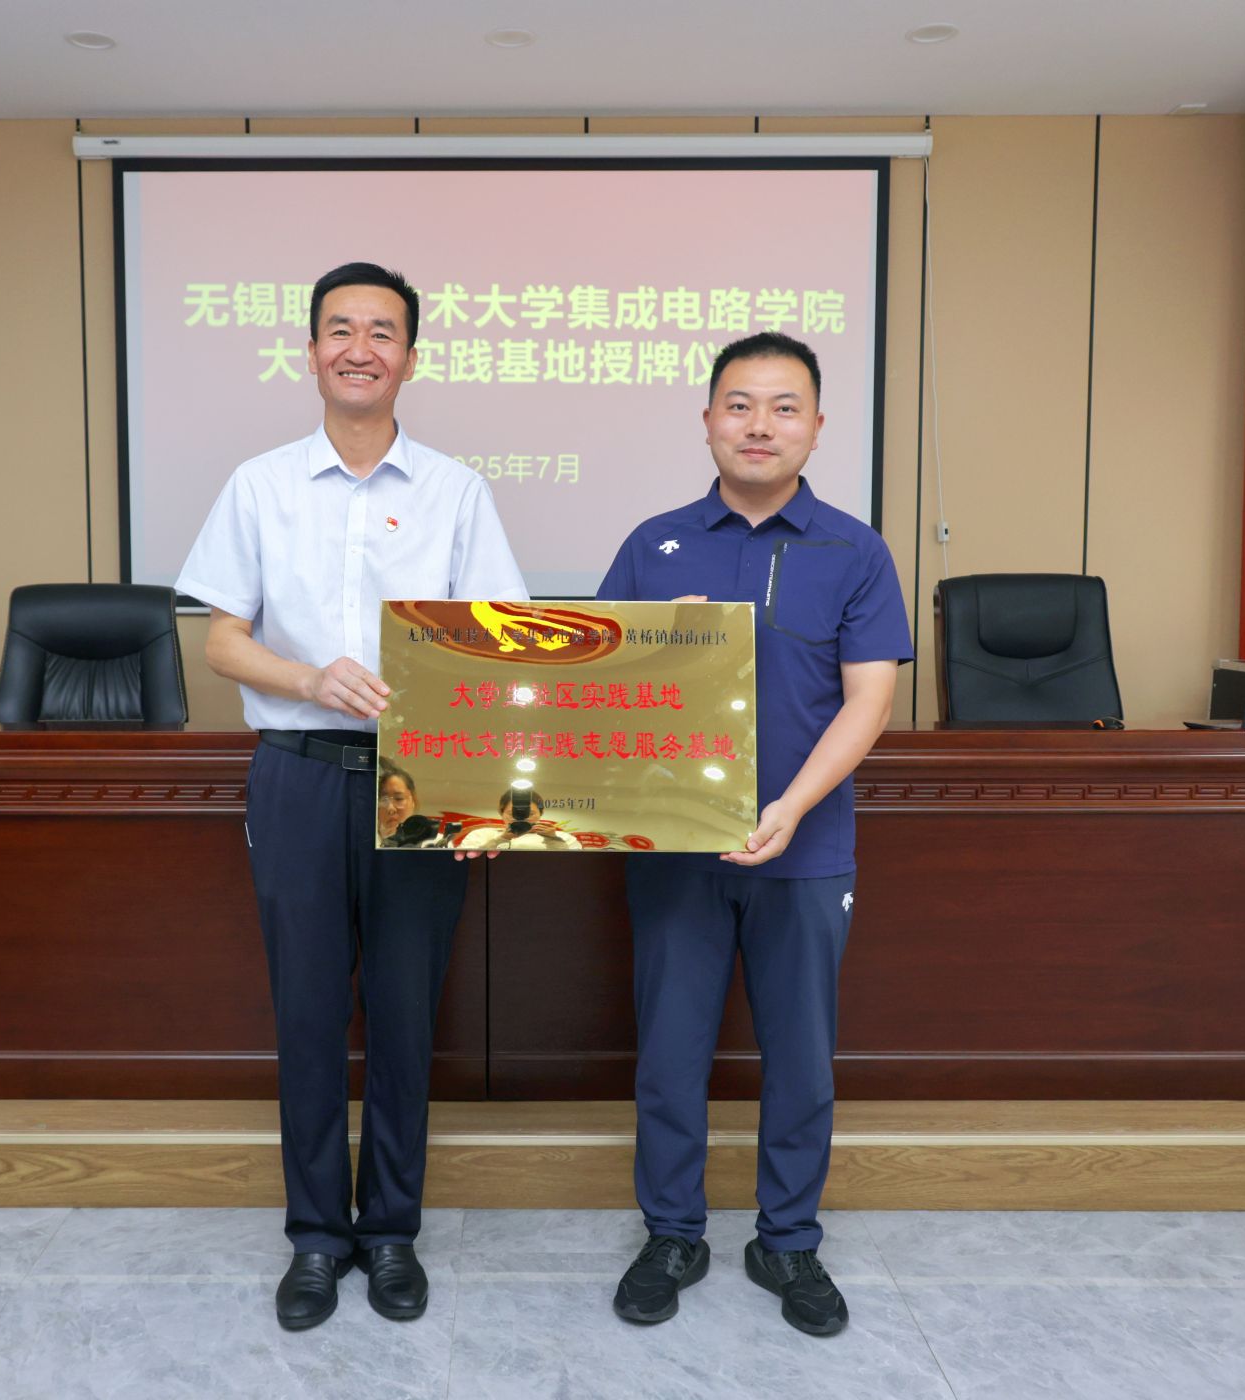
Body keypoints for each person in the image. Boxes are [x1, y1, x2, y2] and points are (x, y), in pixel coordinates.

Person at [176, 261, 527, 1330]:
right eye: (340, 329)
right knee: (308, 1011)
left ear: (410, 358)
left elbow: (501, 647)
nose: (359, 347)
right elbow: (221, 639)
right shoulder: (259, 484)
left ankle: (391, 1232)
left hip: (423, 778)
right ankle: (317, 1237)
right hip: (297, 773)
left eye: (381, 331)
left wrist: (487, 791)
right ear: (310, 352)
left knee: (408, 1013)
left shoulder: (457, 491)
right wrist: (308, 677)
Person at [596, 332, 910, 1337]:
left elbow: (867, 702)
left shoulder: (854, 550)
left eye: (783, 407)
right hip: (674, 848)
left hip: (804, 847)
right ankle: (671, 1233)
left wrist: (793, 806)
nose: (759, 425)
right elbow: (596, 700)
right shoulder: (653, 545)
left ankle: (788, 1240)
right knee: (670, 1053)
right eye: (739, 404)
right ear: (706, 421)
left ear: (816, 426)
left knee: (802, 1058)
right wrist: (658, 648)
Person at [453, 786, 584, 851]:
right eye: (513, 813)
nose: (522, 818)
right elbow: (468, 863)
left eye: (530, 814)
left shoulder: (563, 837)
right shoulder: (481, 834)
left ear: (541, 813)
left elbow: (576, 866)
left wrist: (553, 839)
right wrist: (501, 839)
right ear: (501, 813)